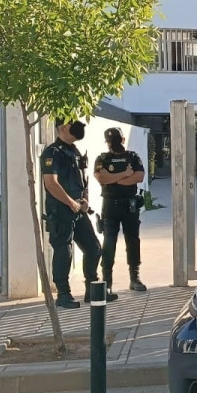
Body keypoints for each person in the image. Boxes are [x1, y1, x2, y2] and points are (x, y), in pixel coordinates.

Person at [41, 118, 103, 309]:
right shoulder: (52, 152)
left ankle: (92, 290)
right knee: (63, 250)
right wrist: (70, 203)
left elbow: (83, 179)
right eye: (72, 125)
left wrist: (84, 201)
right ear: (62, 128)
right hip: (60, 209)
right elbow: (51, 183)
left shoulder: (75, 152)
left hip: (78, 208)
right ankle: (63, 294)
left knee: (93, 248)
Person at [93, 127, 147, 294]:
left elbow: (139, 176)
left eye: (115, 140)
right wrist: (124, 174)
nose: (112, 144)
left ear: (122, 140)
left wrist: (113, 180)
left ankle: (135, 278)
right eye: (110, 141)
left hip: (129, 205)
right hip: (110, 206)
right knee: (109, 243)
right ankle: (107, 281)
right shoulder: (102, 158)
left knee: (133, 241)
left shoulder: (132, 156)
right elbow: (101, 178)